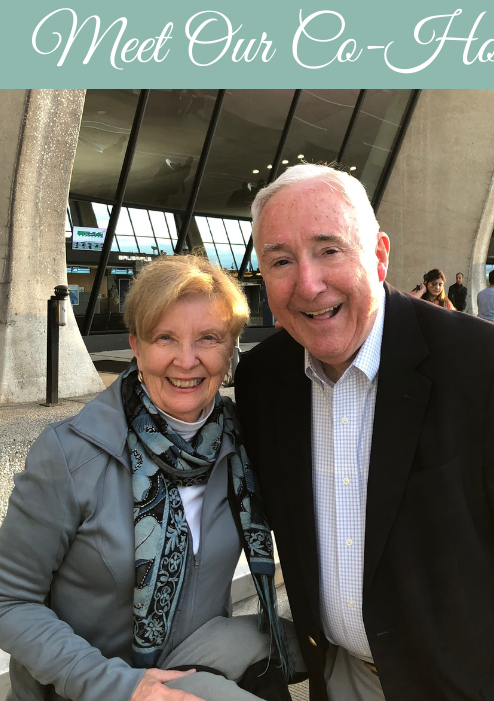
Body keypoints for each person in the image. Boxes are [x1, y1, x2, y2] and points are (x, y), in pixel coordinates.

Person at [234, 164, 494, 701]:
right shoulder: (264, 379)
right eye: (281, 260)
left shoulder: (484, 363)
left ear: (379, 254)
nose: (307, 284)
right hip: (341, 681)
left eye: (329, 250)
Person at [0, 255, 300, 701]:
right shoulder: (69, 454)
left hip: (196, 656)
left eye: (209, 338)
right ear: (135, 346)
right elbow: (10, 602)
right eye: (165, 337)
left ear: (231, 351)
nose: (186, 360)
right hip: (92, 683)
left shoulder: (241, 442)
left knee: (343, 651)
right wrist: (119, 686)